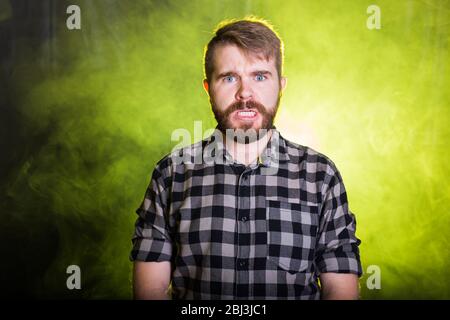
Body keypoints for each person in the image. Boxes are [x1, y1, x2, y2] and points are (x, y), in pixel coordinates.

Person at [130, 17, 362, 300]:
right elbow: (150, 291)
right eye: (229, 77)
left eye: (260, 76)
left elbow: (341, 290)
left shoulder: (320, 176)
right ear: (208, 88)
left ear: (281, 85)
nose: (245, 93)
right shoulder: (171, 175)